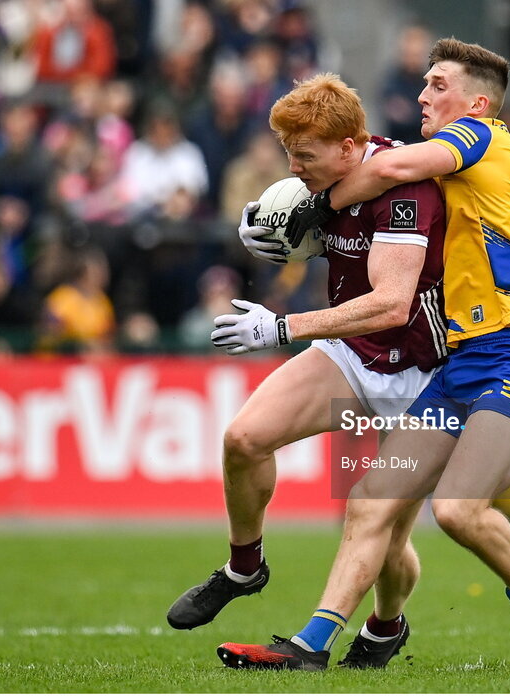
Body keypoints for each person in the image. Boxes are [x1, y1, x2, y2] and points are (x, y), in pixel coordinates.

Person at [218, 38, 510, 672]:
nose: (422, 95)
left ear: (478, 102)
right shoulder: (454, 173)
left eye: (438, 84)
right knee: (370, 500)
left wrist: (308, 209)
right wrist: (314, 227)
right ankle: (310, 647)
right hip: (462, 363)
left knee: (459, 511)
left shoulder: (483, 136)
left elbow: (381, 170)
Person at [165, 73, 448, 670]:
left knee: (385, 535)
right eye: (288, 153)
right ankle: (245, 567)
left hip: (424, 371)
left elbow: (393, 301)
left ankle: (383, 627)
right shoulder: (325, 177)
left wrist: (281, 327)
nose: (294, 168)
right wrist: (275, 232)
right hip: (353, 352)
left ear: (351, 148)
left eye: (305, 155)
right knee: (244, 438)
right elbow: (324, 230)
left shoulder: (405, 188)